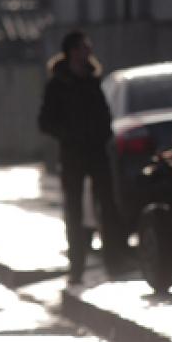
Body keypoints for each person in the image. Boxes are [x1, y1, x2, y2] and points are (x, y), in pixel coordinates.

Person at [38, 30, 129, 284]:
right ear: (72, 52)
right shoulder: (58, 84)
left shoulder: (91, 80)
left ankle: (114, 262)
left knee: (108, 207)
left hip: (97, 153)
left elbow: (104, 113)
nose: (88, 51)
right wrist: (69, 134)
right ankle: (76, 267)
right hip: (73, 155)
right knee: (74, 212)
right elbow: (45, 122)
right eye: (83, 47)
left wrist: (104, 134)